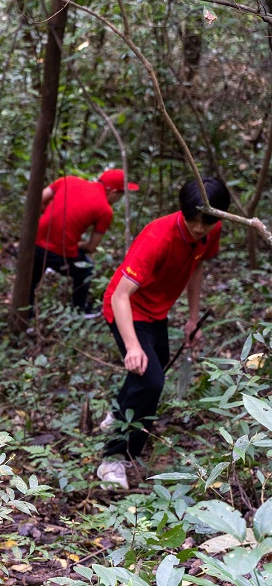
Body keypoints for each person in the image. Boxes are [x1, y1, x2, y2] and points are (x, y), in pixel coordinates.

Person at [97, 176, 230, 489]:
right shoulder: (158, 236)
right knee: (150, 378)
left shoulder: (212, 230)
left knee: (152, 367)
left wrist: (193, 318)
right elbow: (120, 297)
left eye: (206, 222)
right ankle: (112, 458)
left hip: (157, 310)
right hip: (125, 308)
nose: (199, 229)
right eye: (193, 220)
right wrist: (132, 346)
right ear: (182, 211)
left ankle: (116, 413)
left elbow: (197, 266)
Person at [30, 169, 139, 315]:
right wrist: (75, 244)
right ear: (113, 192)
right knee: (85, 270)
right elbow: (91, 247)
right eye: (121, 194)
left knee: (31, 281)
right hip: (60, 254)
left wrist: (48, 216)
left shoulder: (67, 180)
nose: (120, 198)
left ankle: (26, 314)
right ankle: (80, 310)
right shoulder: (105, 210)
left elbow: (38, 199)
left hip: (34, 243)